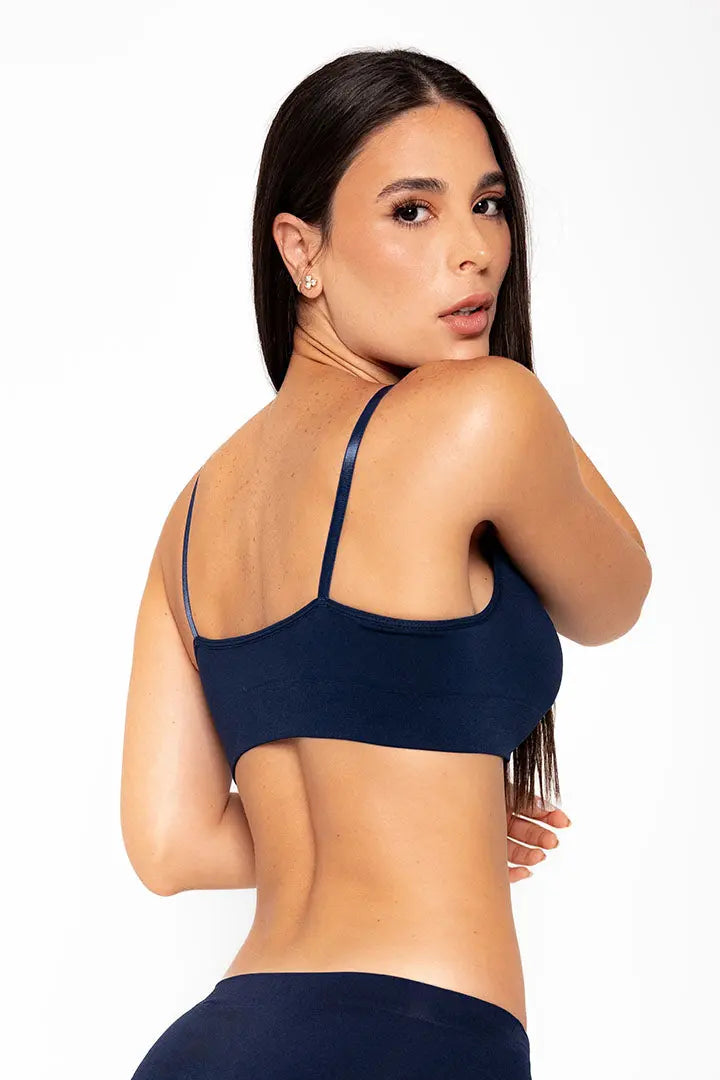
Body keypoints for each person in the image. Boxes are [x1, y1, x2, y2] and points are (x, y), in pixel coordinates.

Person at [121, 47, 651, 1079]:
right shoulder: (485, 412)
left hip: (213, 1042)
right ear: (300, 250)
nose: (476, 252)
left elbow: (170, 843)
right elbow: (616, 595)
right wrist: (510, 384)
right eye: (414, 211)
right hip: (412, 1041)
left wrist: (417, 818)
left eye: (488, 206)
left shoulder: (192, 514)